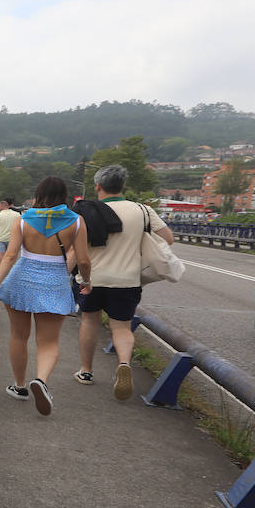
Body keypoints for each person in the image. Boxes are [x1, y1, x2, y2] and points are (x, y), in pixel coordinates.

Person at [0, 175, 90, 416]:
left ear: (39, 194)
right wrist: (86, 281)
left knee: (18, 336)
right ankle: (41, 381)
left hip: (21, 279)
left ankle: (20, 386)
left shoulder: (24, 219)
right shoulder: (76, 221)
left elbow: (11, 256)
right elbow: (84, 259)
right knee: (49, 342)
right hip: (54, 282)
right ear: (63, 195)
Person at [74, 164, 174, 400]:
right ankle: (124, 364)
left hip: (93, 278)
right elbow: (168, 239)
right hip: (127, 280)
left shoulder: (86, 210)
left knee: (89, 321)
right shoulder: (143, 210)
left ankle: (86, 371)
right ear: (123, 186)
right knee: (121, 327)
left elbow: (75, 248)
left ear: (98, 186)